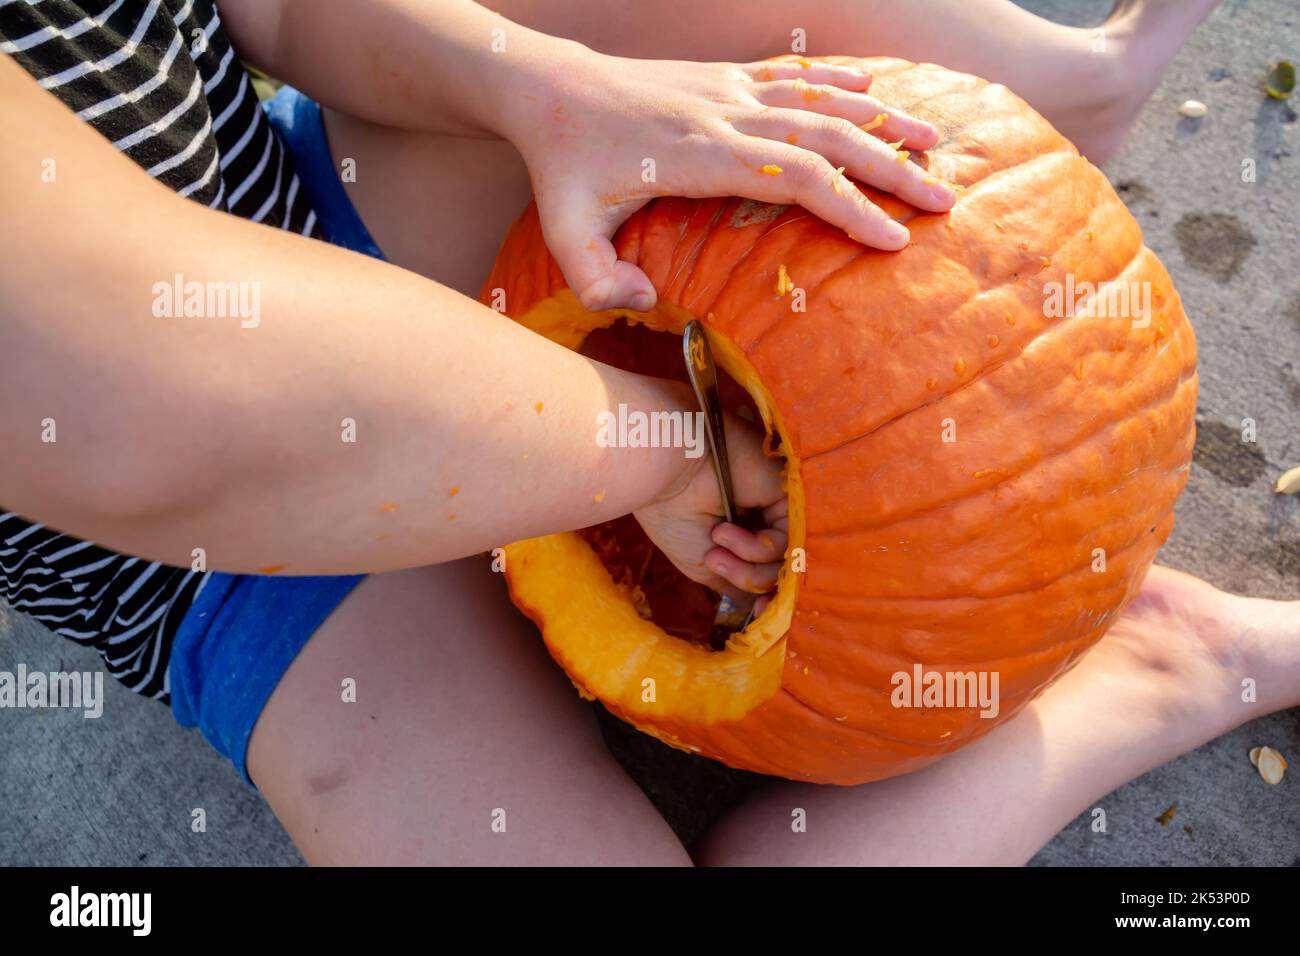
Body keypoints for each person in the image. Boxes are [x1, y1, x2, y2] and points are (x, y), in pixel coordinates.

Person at [2, 0, 1291, 866]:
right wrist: (677, 446)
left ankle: (1072, 85)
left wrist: (550, 88)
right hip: (206, 554)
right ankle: (1160, 668)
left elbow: (275, 12)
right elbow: (159, 413)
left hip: (300, 189)